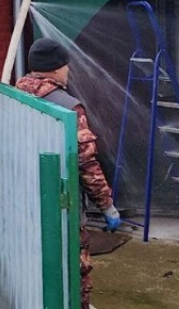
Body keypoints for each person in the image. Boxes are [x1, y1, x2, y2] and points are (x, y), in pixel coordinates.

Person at [16, 37, 120, 309]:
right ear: (54, 69)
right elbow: (85, 163)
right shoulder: (67, 105)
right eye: (65, 66)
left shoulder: (12, 96)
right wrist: (106, 205)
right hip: (62, 205)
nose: (68, 71)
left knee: (33, 263)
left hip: (21, 201)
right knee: (75, 266)